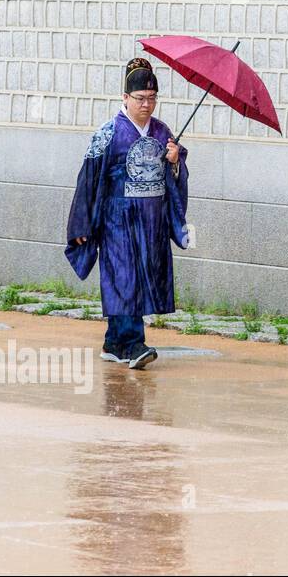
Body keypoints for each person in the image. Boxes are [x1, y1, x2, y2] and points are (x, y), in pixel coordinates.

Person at [65, 57, 190, 369]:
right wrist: (83, 223)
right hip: (117, 220)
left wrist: (174, 161)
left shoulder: (162, 132)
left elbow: (175, 175)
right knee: (124, 278)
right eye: (140, 98)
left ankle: (114, 340)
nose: (146, 105)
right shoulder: (108, 133)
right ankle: (133, 343)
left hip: (151, 221)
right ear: (125, 97)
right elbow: (89, 180)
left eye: (152, 98)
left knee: (143, 276)